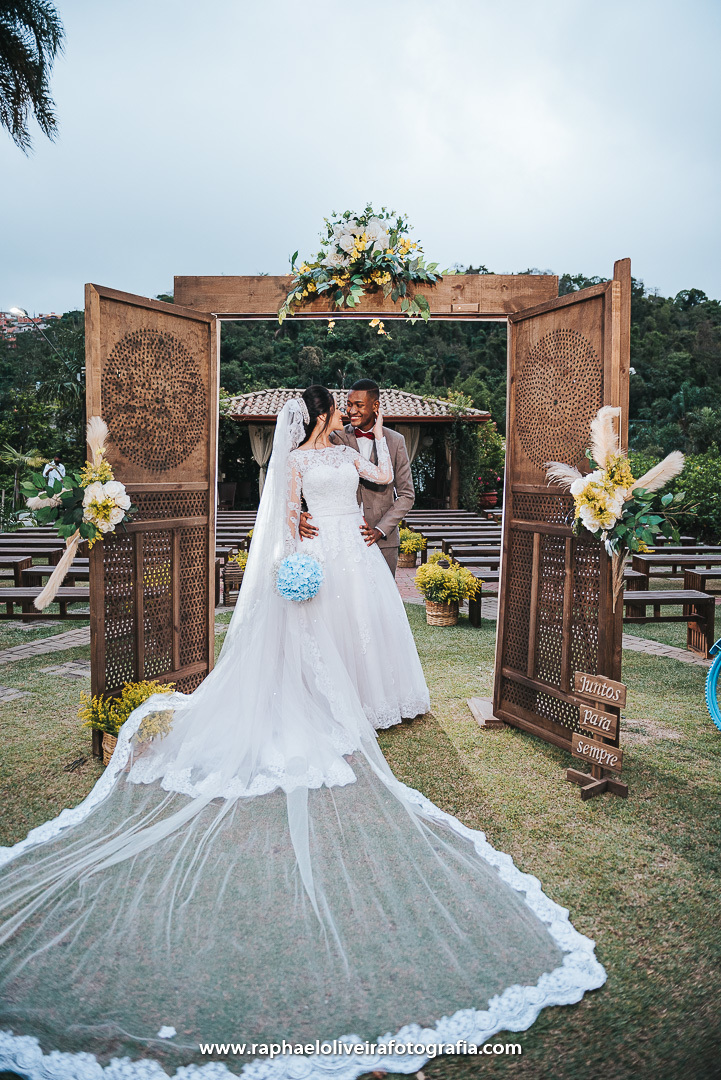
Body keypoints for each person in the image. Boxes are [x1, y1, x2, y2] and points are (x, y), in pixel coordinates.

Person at [0, 387, 605, 1080]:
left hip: (355, 541)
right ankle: (334, 700)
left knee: (372, 629)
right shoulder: (290, 462)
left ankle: (374, 699)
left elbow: (382, 479)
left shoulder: (352, 448)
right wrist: (298, 539)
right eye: (337, 410)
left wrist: (374, 444)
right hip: (323, 549)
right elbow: (285, 522)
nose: (343, 417)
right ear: (322, 414)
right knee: (329, 634)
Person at [299, 379, 413, 577]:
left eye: (359, 405)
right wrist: (298, 514)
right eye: (349, 405)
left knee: (381, 602)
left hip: (382, 540)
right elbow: (306, 477)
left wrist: (380, 529)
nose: (351, 411)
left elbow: (406, 495)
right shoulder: (334, 437)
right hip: (336, 537)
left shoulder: (395, 441)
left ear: (375, 406)